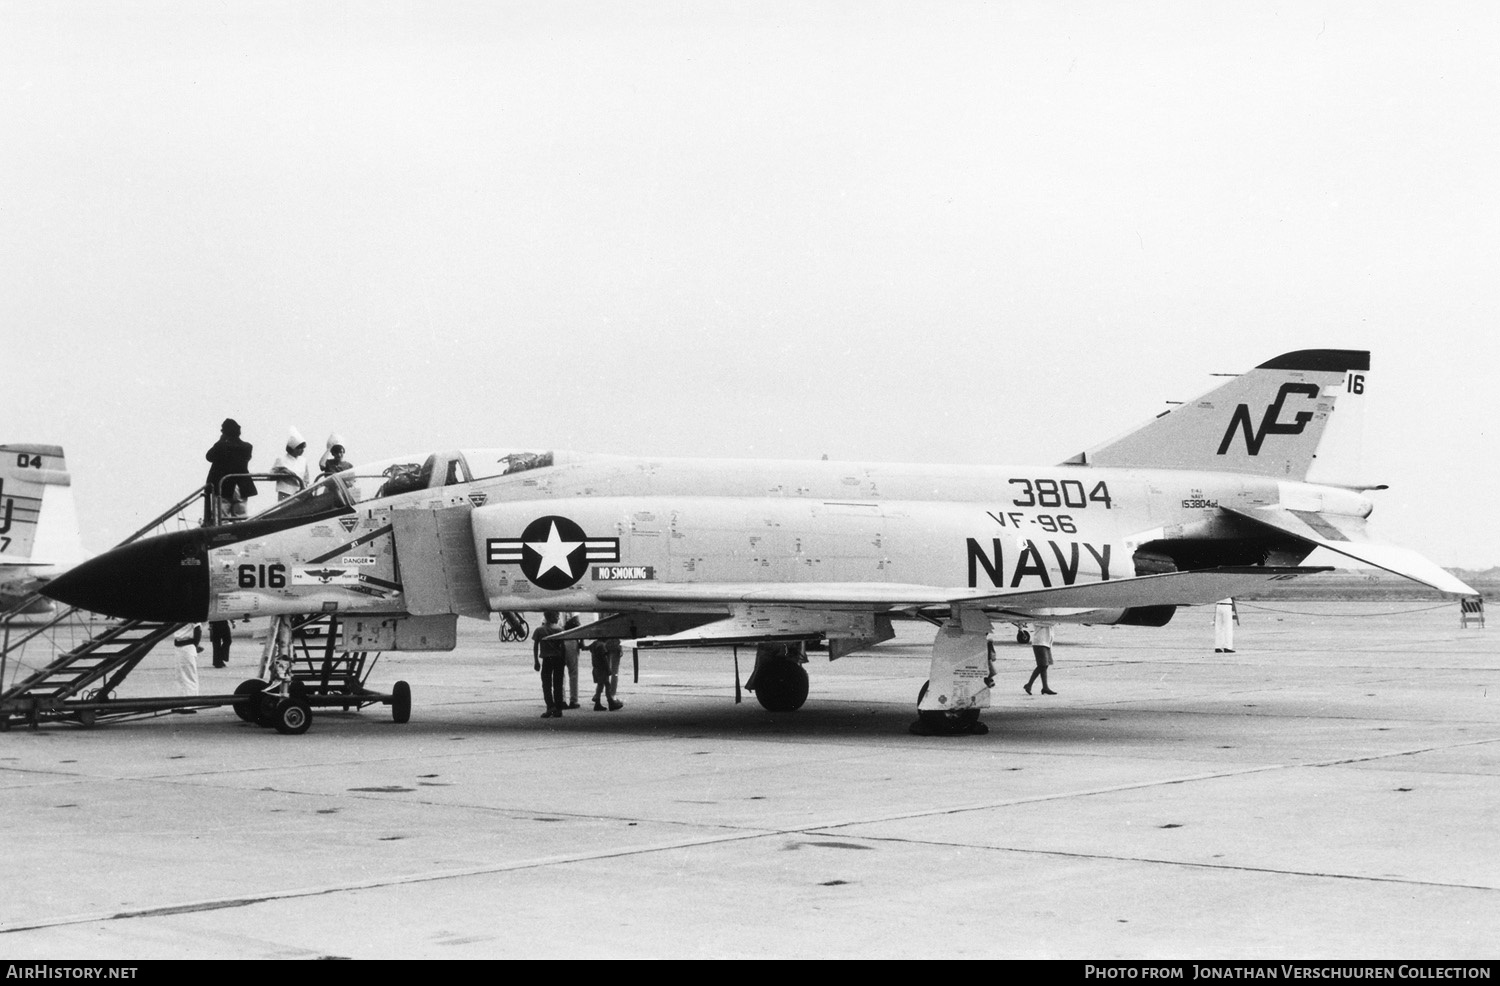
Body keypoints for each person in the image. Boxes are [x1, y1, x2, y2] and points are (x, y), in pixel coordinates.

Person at [205, 418, 257, 522]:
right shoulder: (247, 447)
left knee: (221, 519)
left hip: (224, 486)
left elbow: (209, 456)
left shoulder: (221, 445)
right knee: (240, 518)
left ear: (225, 432)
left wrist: (221, 440)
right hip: (241, 486)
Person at [532, 610, 566, 718]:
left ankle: (550, 706)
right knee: (558, 684)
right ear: (551, 616)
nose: (558, 617)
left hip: (547, 659)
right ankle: (558, 708)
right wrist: (564, 660)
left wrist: (536, 661)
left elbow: (535, 646)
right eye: (556, 615)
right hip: (558, 659)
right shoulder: (559, 630)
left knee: (546, 684)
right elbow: (563, 647)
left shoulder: (539, 630)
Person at [270, 427, 311, 500]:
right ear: (293, 448)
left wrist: (304, 488)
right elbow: (271, 475)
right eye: (300, 448)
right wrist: (282, 471)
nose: (302, 450)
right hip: (285, 493)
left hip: (300, 493)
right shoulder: (281, 459)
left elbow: (306, 478)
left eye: (303, 448)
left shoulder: (303, 461)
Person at [589, 636, 624, 711]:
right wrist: (608, 669)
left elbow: (585, 647)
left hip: (596, 668)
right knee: (607, 684)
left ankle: (597, 700)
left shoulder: (594, 644)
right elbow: (604, 659)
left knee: (600, 684)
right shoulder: (602, 646)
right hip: (602, 669)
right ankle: (610, 701)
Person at [1023, 623, 1057, 695]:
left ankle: (1044, 687)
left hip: (1046, 642)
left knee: (1045, 665)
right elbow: (1048, 623)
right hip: (1040, 642)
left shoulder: (1046, 619)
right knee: (1042, 665)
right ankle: (1029, 685)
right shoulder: (1038, 619)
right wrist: (1054, 620)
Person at [174, 622, 202, 703]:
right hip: (179, 646)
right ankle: (181, 702)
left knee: (189, 676)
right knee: (180, 676)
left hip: (187, 646)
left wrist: (195, 645)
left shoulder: (192, 613)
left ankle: (190, 704)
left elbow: (198, 630)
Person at [561, 613, 582, 710]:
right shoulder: (572, 609)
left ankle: (561, 699)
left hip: (558, 639)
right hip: (571, 639)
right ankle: (573, 699)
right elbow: (577, 624)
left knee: (560, 672)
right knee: (573, 672)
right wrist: (581, 642)